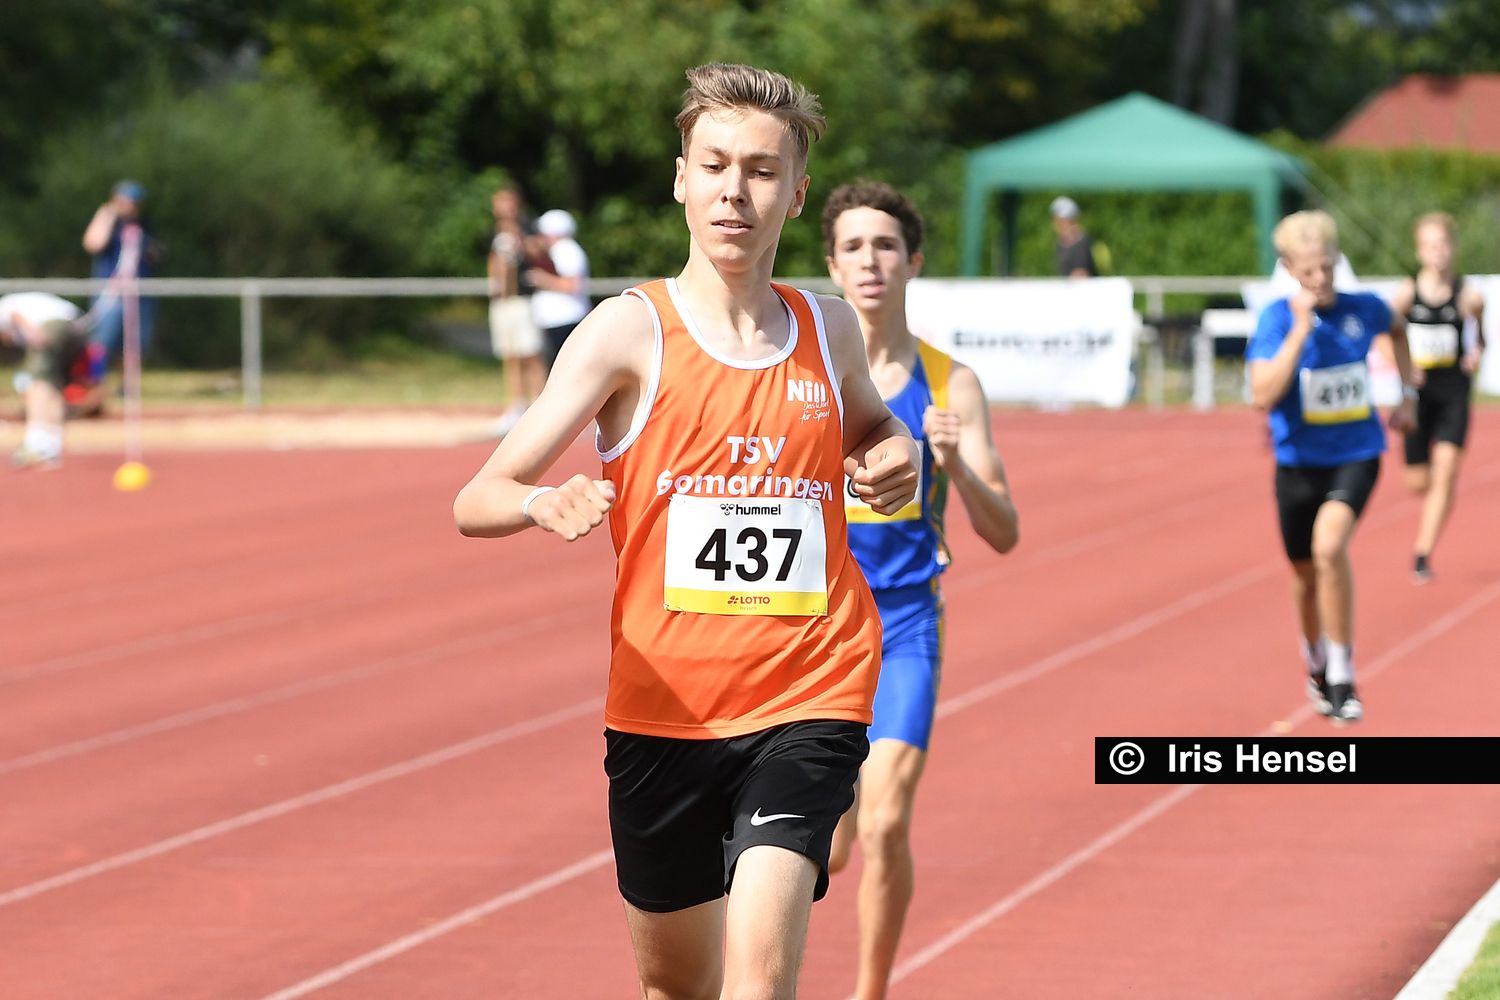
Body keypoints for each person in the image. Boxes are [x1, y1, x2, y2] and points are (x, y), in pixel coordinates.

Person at [453, 63, 920, 998]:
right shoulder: (627, 332)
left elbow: (875, 427)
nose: (734, 192)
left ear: (796, 193)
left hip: (811, 689)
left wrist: (892, 454)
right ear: (681, 180)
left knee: (758, 978)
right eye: (714, 166)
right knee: (676, 985)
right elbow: (479, 496)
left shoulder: (828, 331)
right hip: (663, 709)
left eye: (761, 170)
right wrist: (541, 503)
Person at [820, 181, 1020, 1000]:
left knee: (886, 820)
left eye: (886, 245)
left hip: (905, 626)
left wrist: (957, 464)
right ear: (832, 266)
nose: (871, 261)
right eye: (854, 247)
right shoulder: (806, 376)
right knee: (829, 848)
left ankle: (869, 993)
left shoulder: (950, 383)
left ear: (914, 261)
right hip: (816, 631)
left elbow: (1005, 531)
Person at [1245, 210, 1416, 724]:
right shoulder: (1277, 319)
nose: (1320, 279)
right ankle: (1316, 658)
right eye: (1308, 271)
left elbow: (1398, 328)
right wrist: (1300, 331)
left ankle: (1342, 672)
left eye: (1327, 266)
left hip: (1356, 453)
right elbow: (1261, 394)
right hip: (1297, 463)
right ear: (1288, 269)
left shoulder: (1364, 308)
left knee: (1329, 547)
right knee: (1304, 575)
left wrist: (1407, 394)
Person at [1388, 212, 1486, 583]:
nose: (1438, 252)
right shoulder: (1406, 293)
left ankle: (1422, 553)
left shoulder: (1469, 295)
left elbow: (1480, 338)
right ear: (1419, 251)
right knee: (1418, 481)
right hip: (1417, 394)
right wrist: (1401, 366)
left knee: (1445, 473)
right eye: (1430, 246)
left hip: (1453, 390)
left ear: (1453, 247)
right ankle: (1435, 498)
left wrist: (1476, 353)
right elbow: (1384, 336)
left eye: (1443, 244)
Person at [81, 180, 161, 401]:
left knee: (134, 344)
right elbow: (93, 243)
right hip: (110, 293)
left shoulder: (143, 226)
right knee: (101, 342)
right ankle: (94, 383)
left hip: (139, 292)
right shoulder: (110, 222)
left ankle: (128, 388)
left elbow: (155, 255)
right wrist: (106, 214)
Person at [0, 292, 87, 469]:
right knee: (53, 385)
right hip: (75, 328)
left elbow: (14, 314)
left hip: (52, 326)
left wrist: (32, 331)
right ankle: (52, 446)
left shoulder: (5, 309)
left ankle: (35, 443)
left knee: (36, 382)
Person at [486, 183, 546, 436]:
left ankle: (540, 404)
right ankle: (516, 405)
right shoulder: (495, 231)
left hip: (523, 298)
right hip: (503, 300)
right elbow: (494, 259)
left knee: (531, 353)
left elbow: (538, 251)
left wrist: (519, 235)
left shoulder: (528, 225)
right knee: (510, 354)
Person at [526, 208, 591, 371]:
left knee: (564, 368)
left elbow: (572, 285)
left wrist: (542, 279)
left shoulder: (566, 249)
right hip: (560, 319)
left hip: (566, 319)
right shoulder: (561, 250)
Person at [1049, 196, 1111, 277]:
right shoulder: (1060, 244)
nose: (1059, 225)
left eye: (1063, 221)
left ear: (1074, 221)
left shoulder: (1089, 243)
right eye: (1057, 221)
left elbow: (1101, 273)